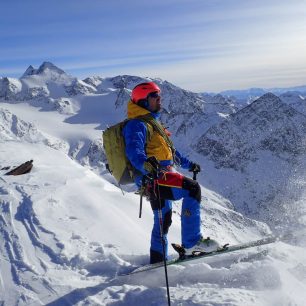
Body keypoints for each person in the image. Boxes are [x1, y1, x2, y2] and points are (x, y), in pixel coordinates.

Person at [123, 82, 209, 264]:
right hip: (154, 178)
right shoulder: (136, 125)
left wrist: (189, 164)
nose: (159, 99)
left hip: (158, 176)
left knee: (164, 220)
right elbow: (133, 152)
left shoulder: (152, 123)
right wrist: (147, 165)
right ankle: (192, 244)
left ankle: (157, 260)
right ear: (143, 100)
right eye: (154, 96)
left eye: (158, 95)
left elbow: (170, 151)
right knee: (192, 189)